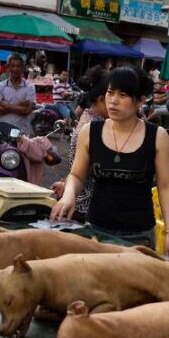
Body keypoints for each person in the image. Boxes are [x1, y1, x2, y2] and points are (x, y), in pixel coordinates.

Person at [50, 66, 169, 257]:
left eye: (123, 95)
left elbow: (166, 186)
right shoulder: (89, 131)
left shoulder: (157, 136)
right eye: (110, 92)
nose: (113, 100)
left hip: (139, 235)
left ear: (140, 101)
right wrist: (69, 196)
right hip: (97, 229)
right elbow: (77, 175)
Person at [51, 65, 110, 221]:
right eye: (113, 95)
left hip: (78, 198)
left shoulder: (89, 117)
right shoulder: (96, 127)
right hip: (86, 205)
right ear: (102, 99)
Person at [0, 53, 36, 135]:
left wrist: (8, 106)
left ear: (23, 68)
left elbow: (27, 110)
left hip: (22, 133)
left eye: (18, 66)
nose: (15, 69)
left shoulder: (30, 87)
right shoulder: (0, 86)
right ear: (8, 68)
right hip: (3, 131)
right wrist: (19, 105)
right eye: (12, 66)